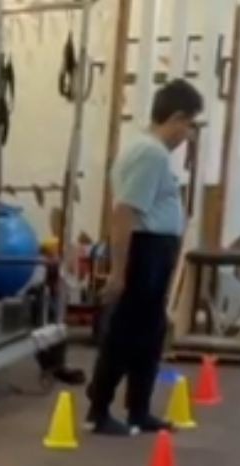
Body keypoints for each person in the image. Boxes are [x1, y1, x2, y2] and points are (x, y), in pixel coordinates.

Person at [86, 78, 203, 436]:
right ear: (177, 118)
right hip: (145, 250)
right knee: (126, 332)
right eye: (190, 125)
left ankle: (138, 409)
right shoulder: (150, 153)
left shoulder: (147, 150)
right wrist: (118, 272)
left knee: (150, 333)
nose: (189, 135)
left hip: (155, 249)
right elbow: (124, 212)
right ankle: (98, 409)